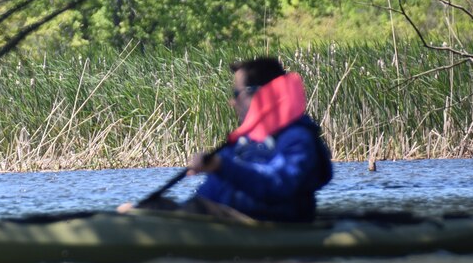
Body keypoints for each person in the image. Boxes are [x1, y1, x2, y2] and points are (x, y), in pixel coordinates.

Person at [123, 56, 333, 222]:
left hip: (257, 223)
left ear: (260, 94)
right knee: (151, 207)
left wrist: (221, 166)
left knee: (149, 213)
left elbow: (278, 183)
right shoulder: (246, 140)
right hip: (218, 217)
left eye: (236, 93)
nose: (232, 102)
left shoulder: (296, 138)